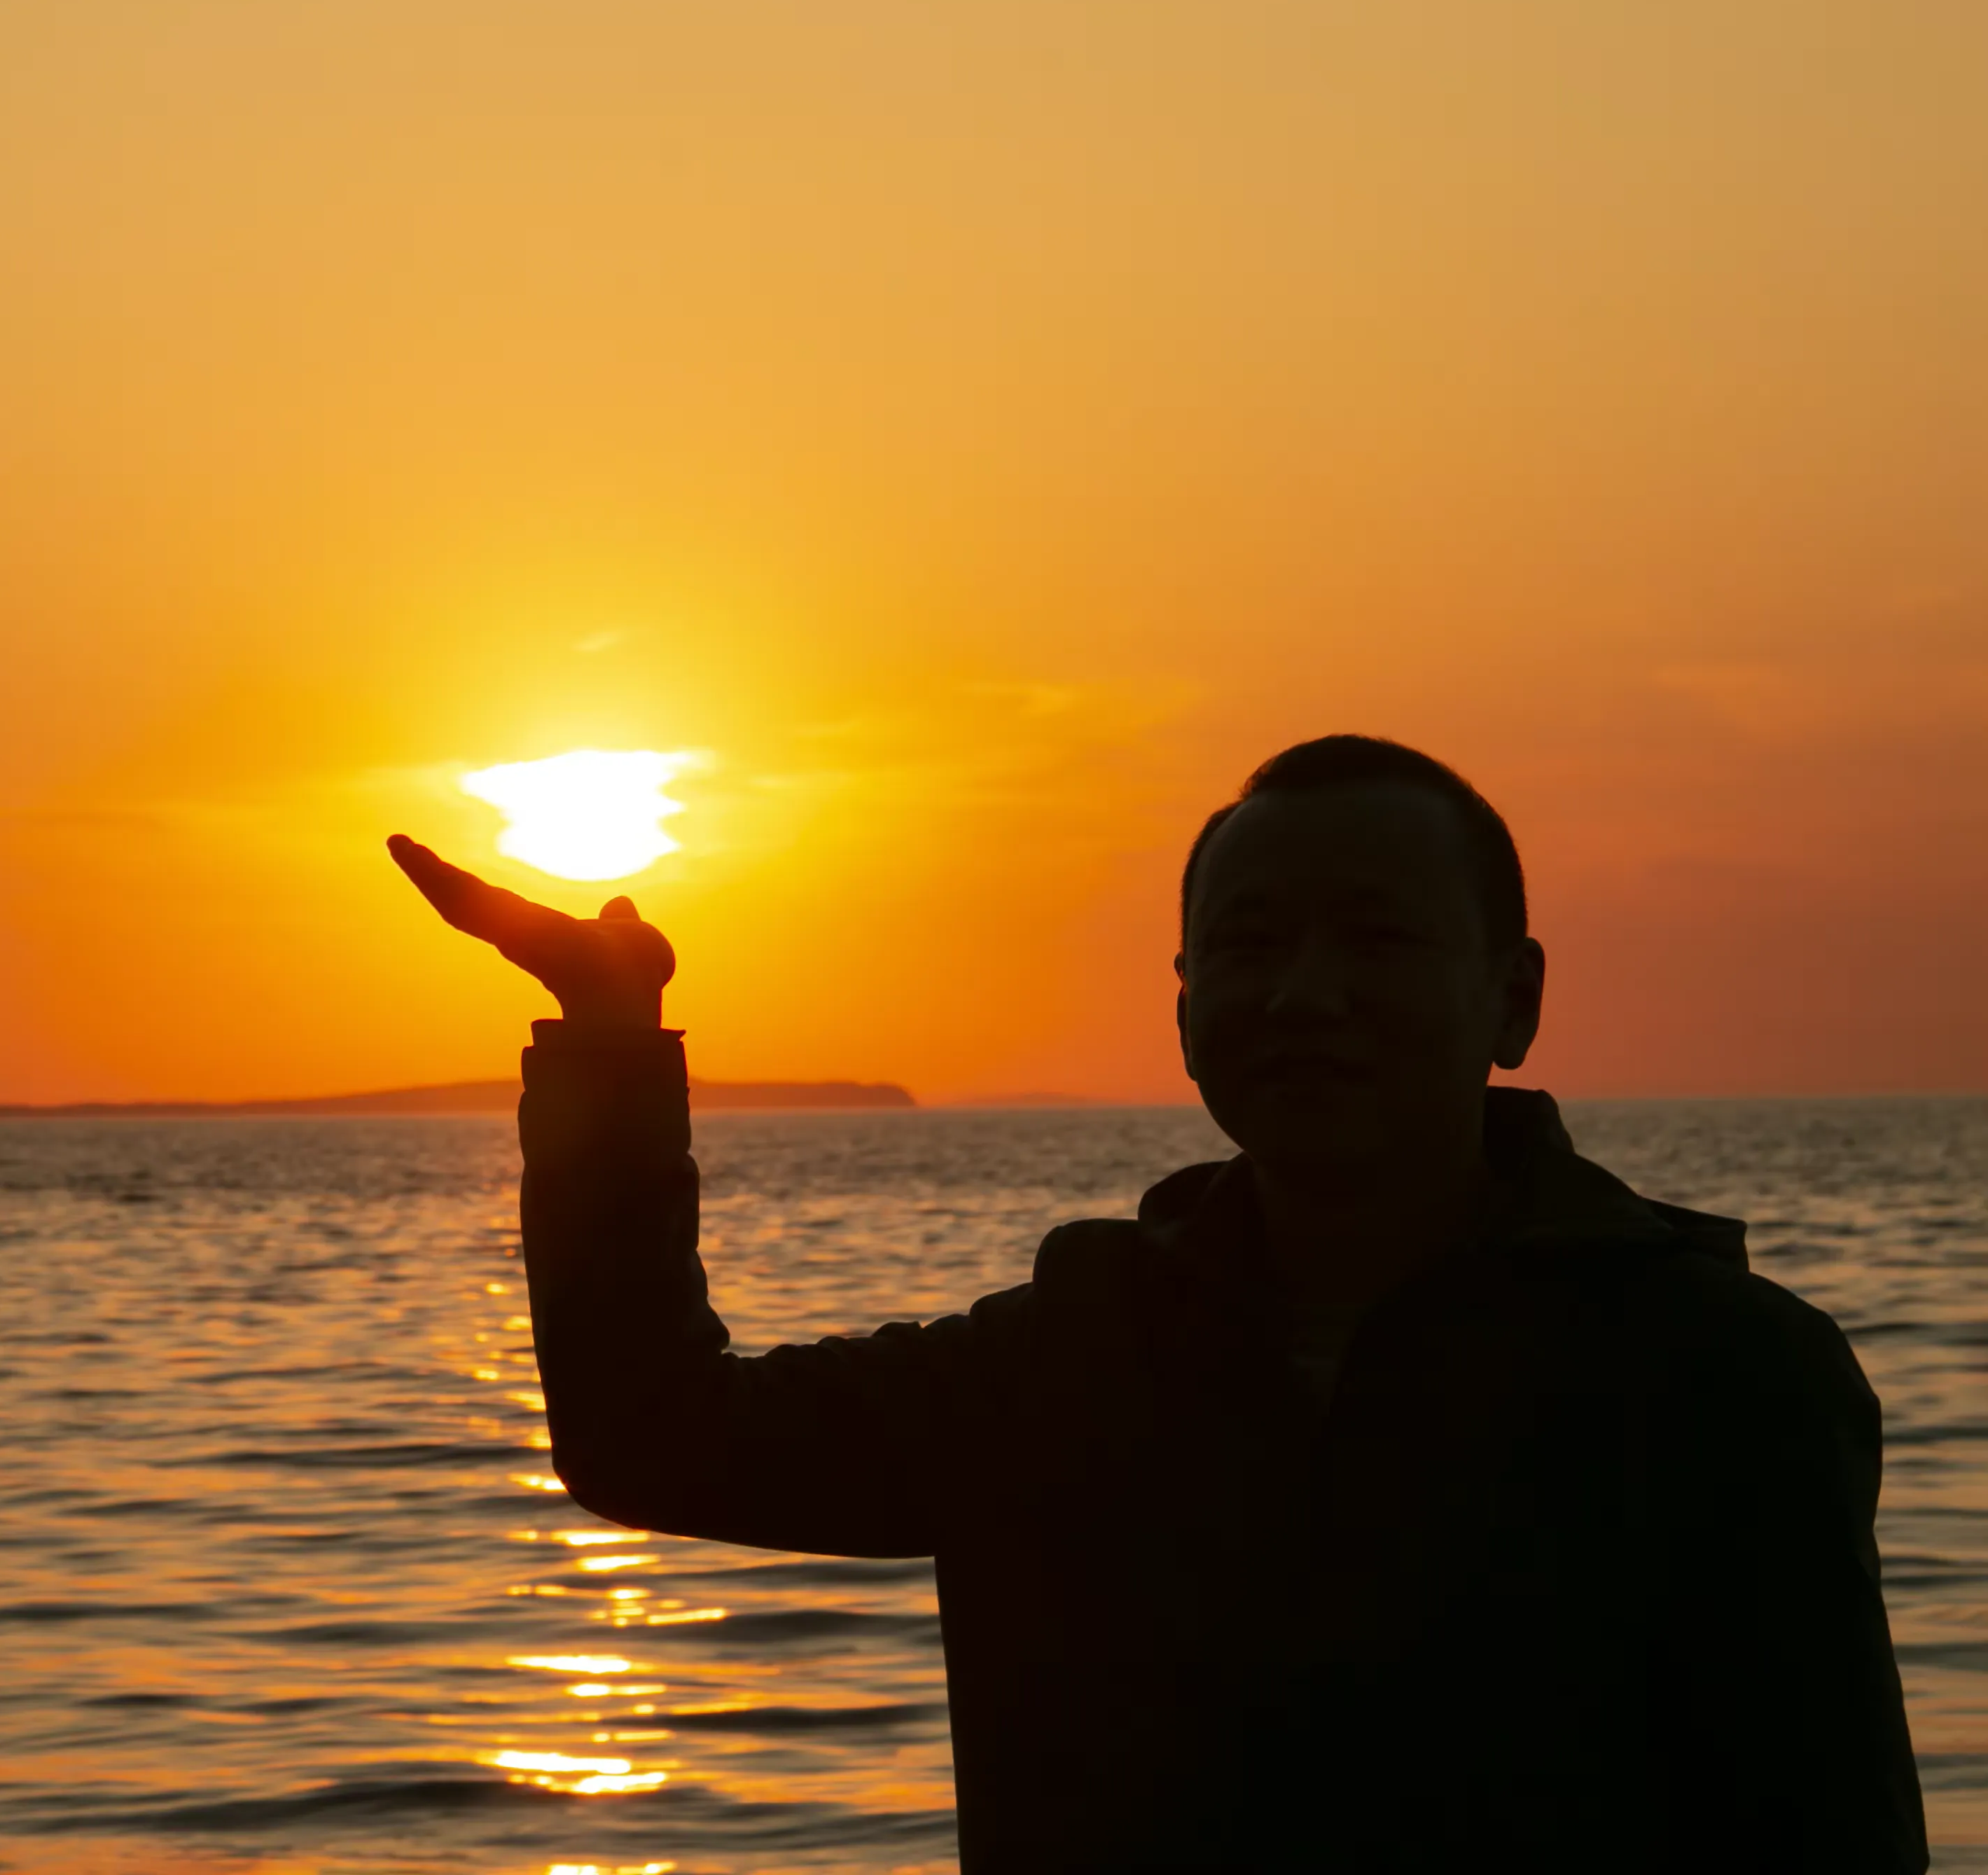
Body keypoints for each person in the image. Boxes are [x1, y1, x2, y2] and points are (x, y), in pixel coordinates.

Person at [388, 734, 1925, 1872]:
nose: (1304, 993)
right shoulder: (1072, 1357)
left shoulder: (1720, 1374)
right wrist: (608, 1041)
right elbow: (651, 1439)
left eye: (1376, 940)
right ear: (1184, 1006)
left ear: (1511, 998)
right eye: (1248, 948)